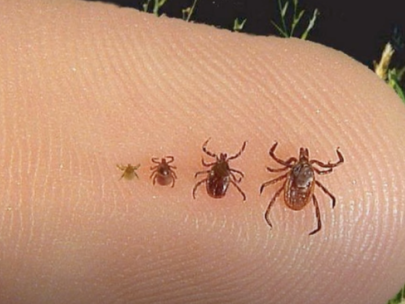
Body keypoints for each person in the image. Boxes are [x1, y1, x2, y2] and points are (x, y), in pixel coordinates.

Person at [1, 0, 405, 303]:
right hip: (233, 184)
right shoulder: (300, 175)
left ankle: (284, 215)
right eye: (301, 166)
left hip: (236, 185)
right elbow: (286, 173)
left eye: (301, 165)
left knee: (291, 193)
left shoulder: (287, 173)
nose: (298, 167)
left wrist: (262, 194)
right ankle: (286, 215)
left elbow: (274, 170)